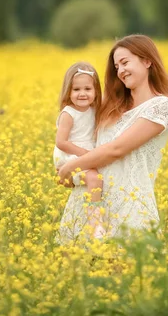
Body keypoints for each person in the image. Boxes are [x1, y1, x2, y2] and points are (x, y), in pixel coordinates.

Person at [57, 35, 168, 243]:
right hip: (88, 204)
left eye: (125, 62)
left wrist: (71, 167)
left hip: (129, 209)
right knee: (74, 273)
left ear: (147, 61)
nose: (120, 70)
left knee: (121, 271)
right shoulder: (109, 108)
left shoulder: (160, 107)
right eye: (117, 66)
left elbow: (116, 150)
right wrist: (64, 164)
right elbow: (75, 129)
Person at [53, 62, 106, 239]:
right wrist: (85, 154)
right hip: (70, 156)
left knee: (97, 178)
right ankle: (96, 226)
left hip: (86, 154)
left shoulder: (94, 110)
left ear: (96, 91)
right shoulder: (68, 113)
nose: (82, 94)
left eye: (87, 89)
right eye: (76, 89)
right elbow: (61, 142)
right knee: (93, 178)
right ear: (68, 91)